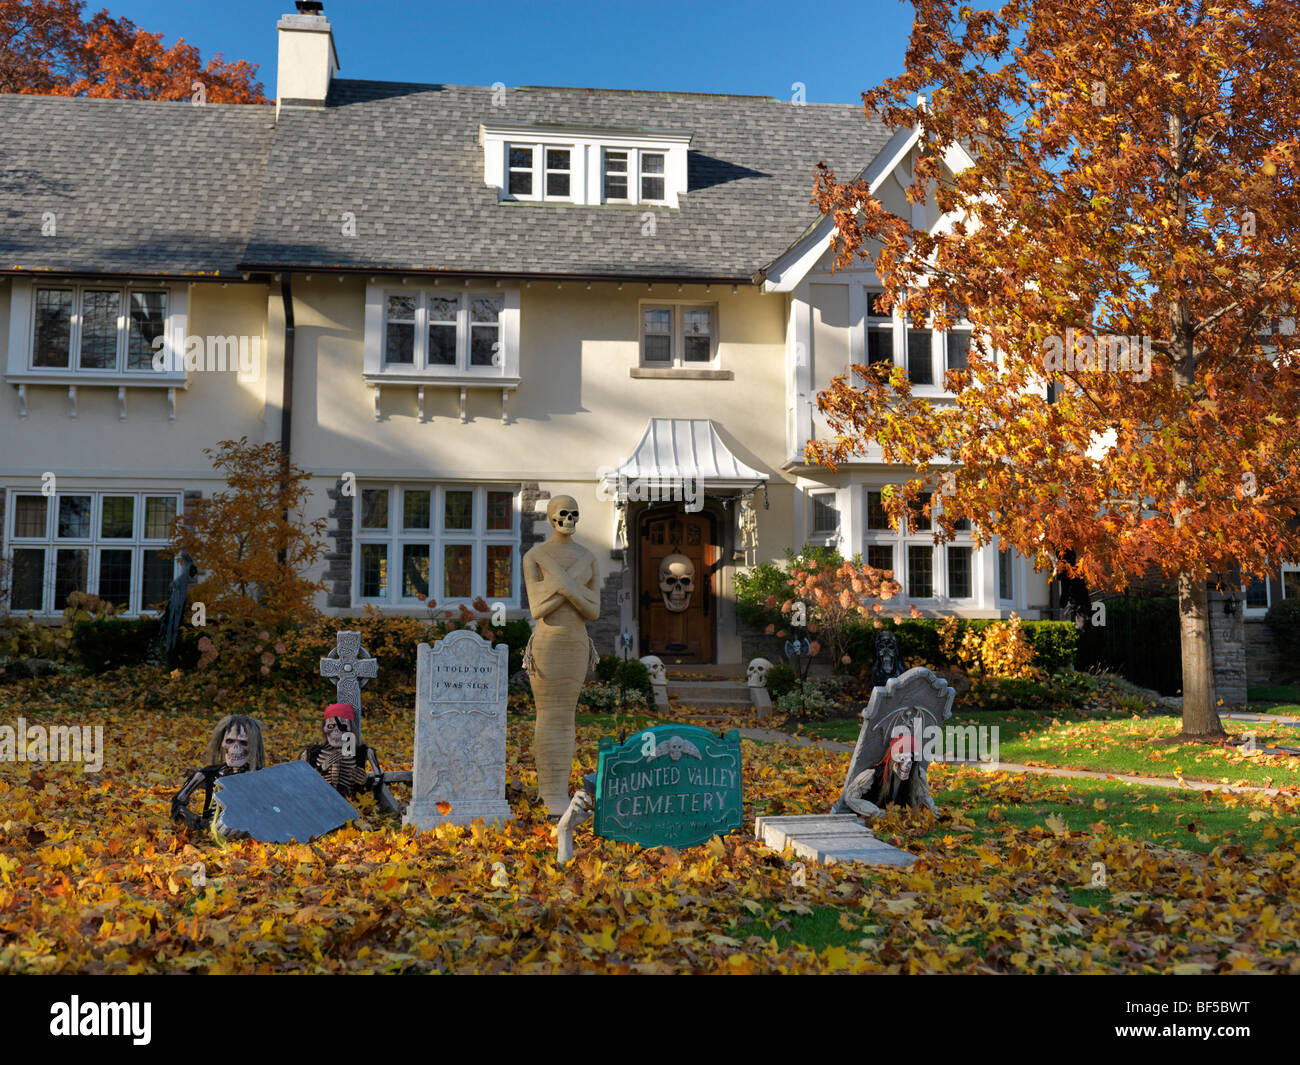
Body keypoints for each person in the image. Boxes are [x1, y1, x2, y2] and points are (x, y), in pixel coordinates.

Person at [522, 495, 600, 816]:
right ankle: (548, 791)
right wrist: (572, 586)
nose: (569, 520)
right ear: (552, 518)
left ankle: (559, 790)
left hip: (576, 644)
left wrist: (560, 587)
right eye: (563, 515)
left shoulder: (589, 558)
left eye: (574, 515)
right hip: (548, 643)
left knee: (567, 717)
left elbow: (593, 611)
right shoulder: (536, 556)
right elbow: (537, 608)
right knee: (548, 715)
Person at [171, 714, 265, 831]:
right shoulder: (209, 773)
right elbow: (178, 801)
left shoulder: (260, 779)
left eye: (243, 743)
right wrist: (191, 818)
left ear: (254, 746)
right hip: (209, 831)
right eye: (229, 741)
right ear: (222, 743)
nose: (235, 748)